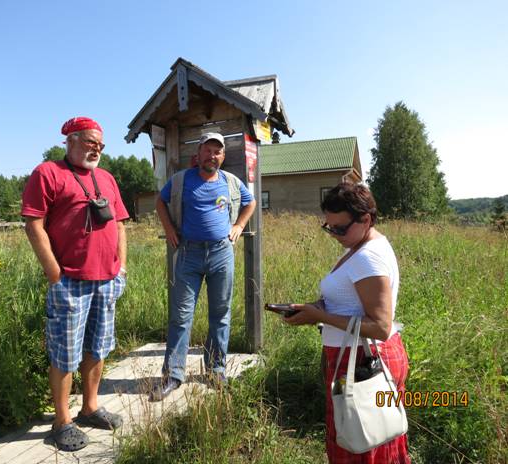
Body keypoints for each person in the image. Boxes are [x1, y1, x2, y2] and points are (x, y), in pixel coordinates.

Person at [21, 116, 129, 451]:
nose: (97, 149)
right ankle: (61, 421)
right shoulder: (48, 173)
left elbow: (121, 225)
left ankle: (90, 407)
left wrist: (120, 269)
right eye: (90, 142)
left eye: (100, 144)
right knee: (65, 355)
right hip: (70, 281)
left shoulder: (107, 179)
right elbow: (33, 225)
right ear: (69, 140)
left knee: (97, 347)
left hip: (107, 280)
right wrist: (55, 274)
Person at [284, 182, 410, 463]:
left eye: (340, 228)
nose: (334, 235)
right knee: (366, 439)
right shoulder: (359, 245)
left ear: (366, 219)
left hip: (364, 362)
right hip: (355, 359)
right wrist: (314, 308)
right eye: (329, 227)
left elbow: (381, 327)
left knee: (364, 446)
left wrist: (320, 316)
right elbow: (351, 301)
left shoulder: (368, 257)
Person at [150, 132, 257, 401]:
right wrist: (169, 229)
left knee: (220, 314)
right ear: (198, 155)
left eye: (217, 151)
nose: (212, 156)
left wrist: (239, 226)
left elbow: (250, 202)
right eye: (208, 151)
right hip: (188, 253)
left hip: (221, 253)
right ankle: (173, 375)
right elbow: (160, 202)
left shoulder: (230, 182)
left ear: (223, 156)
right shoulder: (180, 180)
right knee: (181, 316)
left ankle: (215, 370)